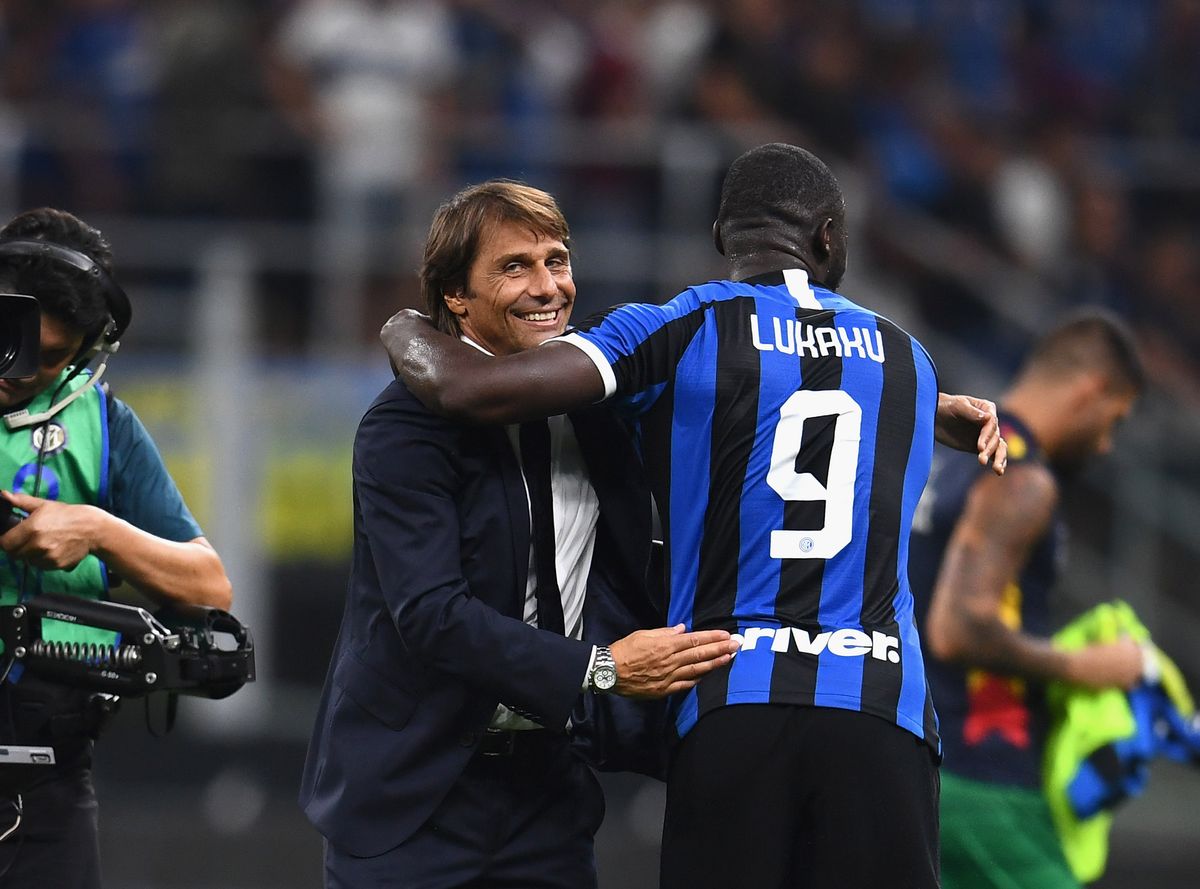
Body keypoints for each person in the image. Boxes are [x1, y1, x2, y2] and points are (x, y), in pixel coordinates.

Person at [380, 143, 1008, 889]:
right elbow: (820, 392)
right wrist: (931, 409)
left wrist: (400, 326)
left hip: (729, 699)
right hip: (879, 709)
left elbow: (480, 389)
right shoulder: (906, 361)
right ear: (831, 236)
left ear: (721, 238)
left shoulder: (673, 330)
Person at [299, 180, 739, 889]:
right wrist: (604, 669)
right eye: (515, 267)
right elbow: (432, 614)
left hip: (549, 795)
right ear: (455, 297)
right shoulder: (404, 428)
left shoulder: (597, 404)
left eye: (556, 260)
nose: (548, 287)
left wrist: (918, 399)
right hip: (414, 798)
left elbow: (747, 381)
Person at [0, 207, 232, 887]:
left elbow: (209, 587)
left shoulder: (107, 426)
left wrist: (99, 531)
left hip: (47, 779)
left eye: (51, 357)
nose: (20, 372)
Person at [909, 311, 1147, 889]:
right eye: (1113, 419)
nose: (1107, 442)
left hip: (919, 756)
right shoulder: (1022, 477)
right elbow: (958, 627)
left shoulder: (948, 455)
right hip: (985, 777)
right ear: (1091, 391)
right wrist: (1085, 666)